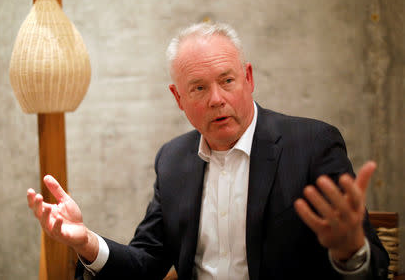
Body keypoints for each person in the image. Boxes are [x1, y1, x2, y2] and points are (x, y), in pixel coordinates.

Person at [27, 23, 389, 280]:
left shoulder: (312, 145)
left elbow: (375, 266)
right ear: (178, 99)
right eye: (198, 88)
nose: (217, 99)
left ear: (248, 79)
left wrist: (348, 251)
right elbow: (147, 262)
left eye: (227, 81)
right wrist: (87, 241)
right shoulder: (173, 161)